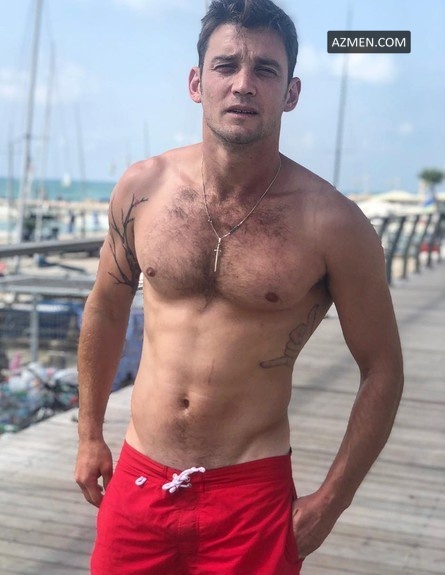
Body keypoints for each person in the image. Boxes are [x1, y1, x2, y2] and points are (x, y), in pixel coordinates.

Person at [75, 1, 404, 573]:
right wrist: (88, 435)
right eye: (226, 65)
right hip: (138, 480)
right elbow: (105, 308)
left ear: (291, 93)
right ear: (196, 82)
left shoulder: (333, 223)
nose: (243, 84)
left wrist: (331, 502)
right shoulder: (143, 189)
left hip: (251, 495)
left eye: (266, 70)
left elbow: (383, 368)